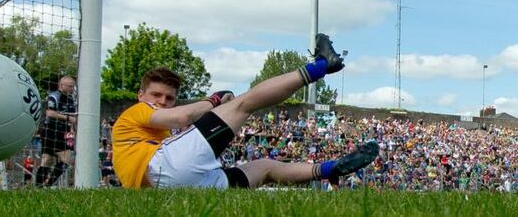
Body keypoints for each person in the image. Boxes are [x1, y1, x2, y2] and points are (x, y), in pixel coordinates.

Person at [112, 33, 379, 189]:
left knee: (265, 168)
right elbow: (182, 116)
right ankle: (321, 66)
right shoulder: (135, 112)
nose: (161, 101)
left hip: (170, 185)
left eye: (169, 97)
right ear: (141, 96)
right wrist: (215, 99)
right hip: (164, 170)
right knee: (244, 103)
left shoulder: (154, 133)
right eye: (156, 95)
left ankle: (329, 169)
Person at [35, 75, 77, 187]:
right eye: (70, 86)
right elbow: (50, 113)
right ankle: (38, 186)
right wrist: (68, 118)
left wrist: (72, 128)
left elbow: (72, 116)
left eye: (73, 87)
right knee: (47, 160)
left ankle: (47, 185)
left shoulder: (71, 99)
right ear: (61, 85)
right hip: (50, 130)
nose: (72, 89)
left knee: (67, 159)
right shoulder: (54, 96)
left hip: (63, 132)